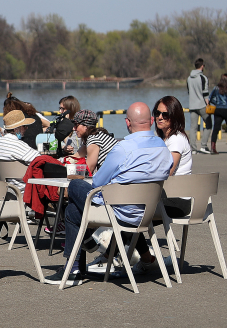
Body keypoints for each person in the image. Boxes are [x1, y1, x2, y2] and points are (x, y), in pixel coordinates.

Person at [58, 102, 173, 282]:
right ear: (151, 120)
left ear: (127, 122)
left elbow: (97, 182)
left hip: (120, 212)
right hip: (148, 212)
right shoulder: (162, 147)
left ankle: (75, 264)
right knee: (73, 212)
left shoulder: (123, 148)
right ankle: (74, 266)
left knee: (74, 188)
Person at [0, 110, 40, 189]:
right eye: (24, 126)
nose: (27, 128)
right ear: (16, 129)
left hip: (8, 189)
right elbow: (40, 160)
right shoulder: (19, 145)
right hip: (26, 189)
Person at [153, 96, 192, 176]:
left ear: (175, 117)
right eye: (157, 113)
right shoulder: (163, 138)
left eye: (165, 115)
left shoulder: (176, 139)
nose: (160, 117)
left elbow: (166, 172)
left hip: (176, 186)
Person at [71, 110, 118, 175]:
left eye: (76, 125)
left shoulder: (93, 140)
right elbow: (77, 156)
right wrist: (59, 162)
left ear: (86, 126)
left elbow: (88, 170)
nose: (73, 128)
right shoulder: (94, 135)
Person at [187, 58, 211, 153]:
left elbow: (189, 92)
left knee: (193, 127)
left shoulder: (189, 78)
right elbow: (205, 94)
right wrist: (208, 104)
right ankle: (203, 145)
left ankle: (193, 148)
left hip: (192, 105)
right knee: (209, 123)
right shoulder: (203, 78)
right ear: (202, 66)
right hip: (201, 105)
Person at [207, 74, 227, 155]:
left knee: (216, 129)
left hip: (218, 109)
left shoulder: (216, 88)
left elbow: (210, 98)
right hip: (226, 109)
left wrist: (217, 103)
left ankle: (213, 147)